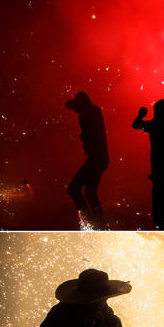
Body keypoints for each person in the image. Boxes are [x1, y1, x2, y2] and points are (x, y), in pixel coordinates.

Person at [132, 99, 164, 229]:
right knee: (161, 210)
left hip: (162, 173)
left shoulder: (160, 125)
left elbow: (136, 124)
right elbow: (136, 125)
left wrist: (140, 116)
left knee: (159, 213)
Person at [65, 92, 109, 229]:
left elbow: (91, 134)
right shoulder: (93, 112)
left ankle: (90, 222)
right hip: (100, 157)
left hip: (97, 157)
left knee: (74, 188)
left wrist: (84, 137)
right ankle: (98, 223)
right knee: (90, 191)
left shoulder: (87, 114)